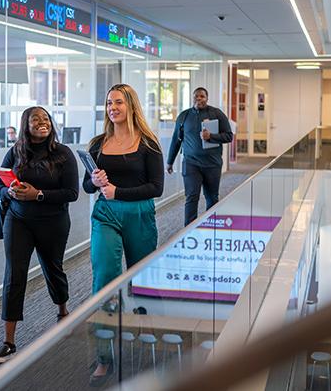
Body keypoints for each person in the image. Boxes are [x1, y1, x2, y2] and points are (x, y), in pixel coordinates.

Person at [83, 83, 164, 383]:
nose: (112, 108)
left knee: (141, 279)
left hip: (139, 214)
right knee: (104, 279)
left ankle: (148, 339)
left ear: (130, 105)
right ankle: (104, 356)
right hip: (105, 215)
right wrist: (94, 180)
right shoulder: (97, 144)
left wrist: (120, 191)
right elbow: (86, 187)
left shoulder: (149, 143)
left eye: (118, 102)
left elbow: (157, 187)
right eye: (108, 103)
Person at [0, 106, 78, 364]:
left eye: (46, 118)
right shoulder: (16, 151)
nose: (42, 122)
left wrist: (37, 194)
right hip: (18, 221)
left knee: (53, 269)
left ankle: (62, 311)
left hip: (53, 221)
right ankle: (8, 341)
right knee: (14, 275)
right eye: (35, 119)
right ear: (25, 125)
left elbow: (72, 193)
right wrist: (10, 193)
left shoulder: (63, 154)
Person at [166, 87, 233, 226]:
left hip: (212, 164)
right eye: (196, 96)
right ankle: (188, 231)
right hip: (191, 164)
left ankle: (212, 228)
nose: (199, 99)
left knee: (212, 198)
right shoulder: (183, 116)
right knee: (191, 197)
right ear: (192, 98)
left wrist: (211, 136)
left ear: (207, 98)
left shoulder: (217, 114)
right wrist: (170, 162)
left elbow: (228, 136)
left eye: (202, 96)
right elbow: (175, 140)